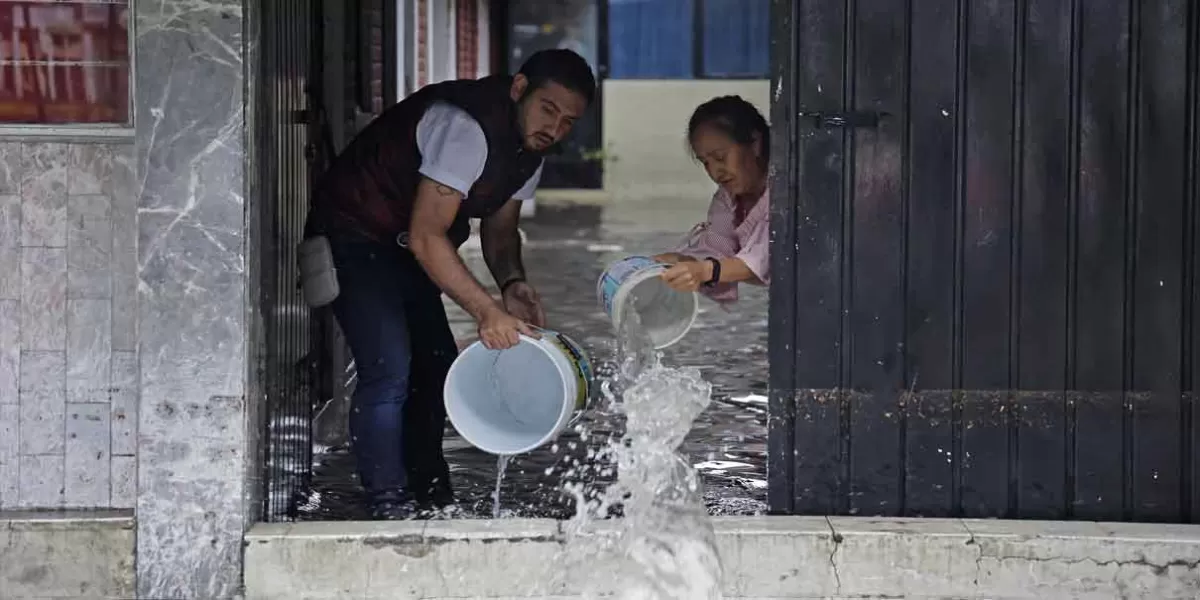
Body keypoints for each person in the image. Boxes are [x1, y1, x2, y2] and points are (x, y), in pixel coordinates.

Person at [304, 49, 596, 519]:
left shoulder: (530, 152)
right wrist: (486, 312)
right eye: (548, 109)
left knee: (436, 365)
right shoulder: (465, 128)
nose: (555, 129)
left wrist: (512, 283)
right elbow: (427, 235)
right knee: (388, 369)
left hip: (405, 249)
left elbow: (500, 232)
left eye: (568, 122)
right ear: (519, 88)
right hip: (353, 236)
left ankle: (433, 496)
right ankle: (388, 504)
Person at [653, 95, 771, 304]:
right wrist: (682, 262)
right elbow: (718, 249)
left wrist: (704, 270)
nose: (716, 171)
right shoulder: (728, 198)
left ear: (755, 143)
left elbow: (762, 257)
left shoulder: (785, 193)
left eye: (720, 157)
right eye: (705, 162)